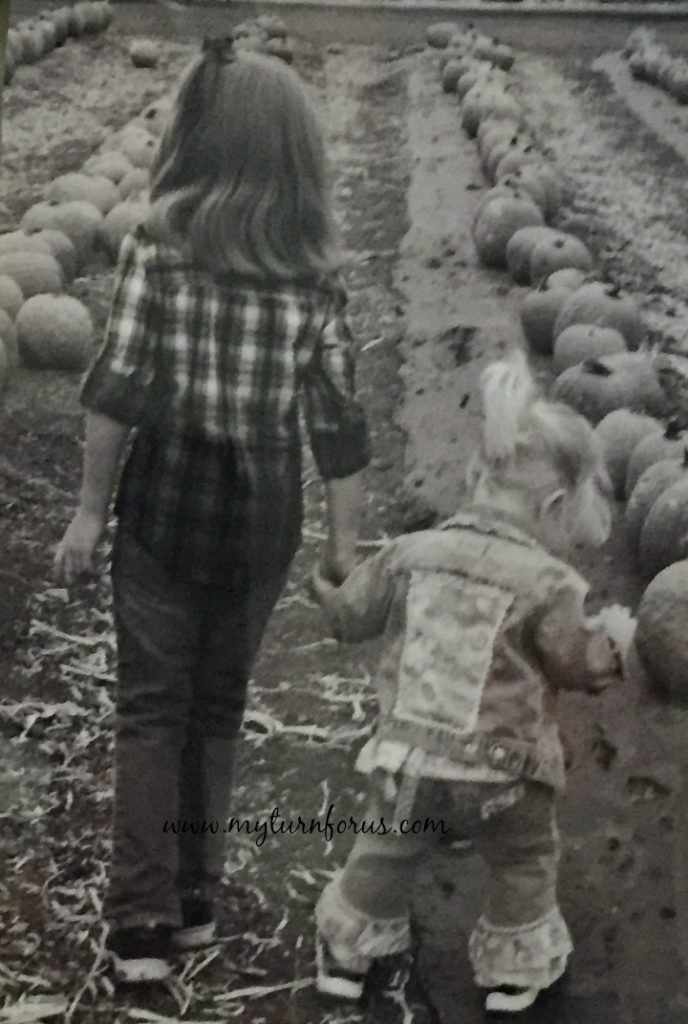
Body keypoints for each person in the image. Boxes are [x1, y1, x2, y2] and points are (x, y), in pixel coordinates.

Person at [54, 38, 370, 984]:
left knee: (152, 709)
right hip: (261, 511)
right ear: (297, 163)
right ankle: (196, 893)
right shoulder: (314, 283)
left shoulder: (157, 251)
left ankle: (142, 921)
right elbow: (339, 428)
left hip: (164, 500)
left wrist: (86, 513)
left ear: (191, 143)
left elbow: (116, 391)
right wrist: (346, 551)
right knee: (219, 705)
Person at [310, 351, 636, 1015]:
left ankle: (345, 959)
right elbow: (580, 667)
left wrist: (330, 592)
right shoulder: (550, 585)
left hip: (411, 765)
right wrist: (618, 643)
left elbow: (351, 615)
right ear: (551, 504)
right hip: (504, 777)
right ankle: (514, 975)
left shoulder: (409, 554)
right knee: (522, 862)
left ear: (478, 475)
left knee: (386, 851)